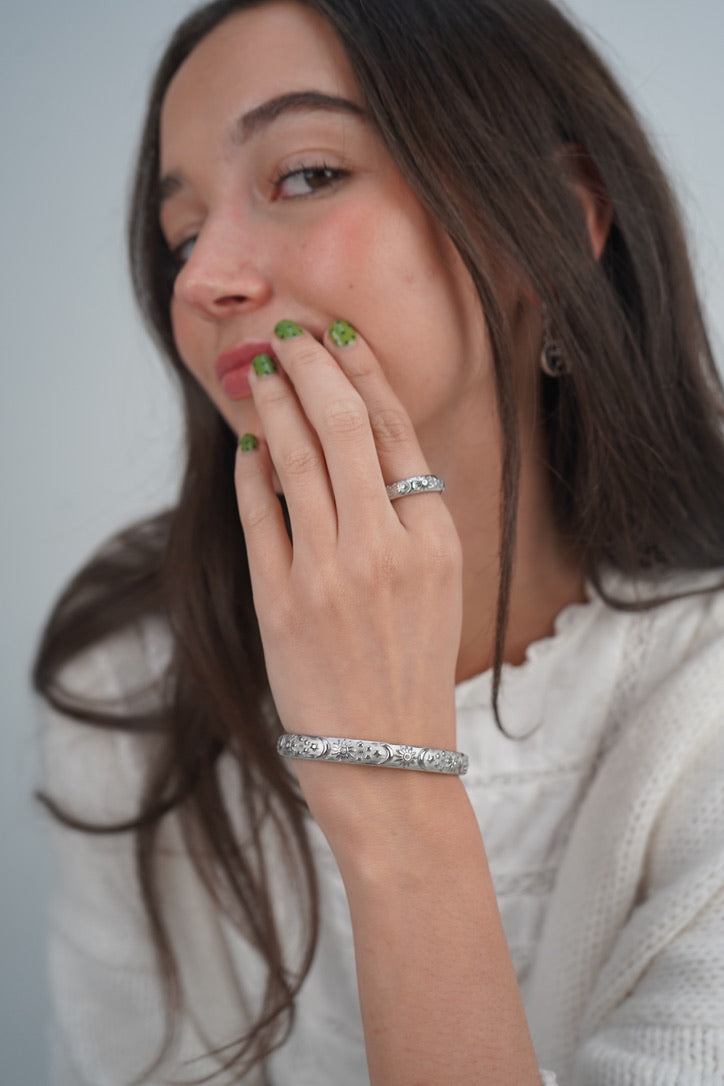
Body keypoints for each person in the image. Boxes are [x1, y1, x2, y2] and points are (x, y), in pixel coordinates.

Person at [34, 0, 724, 1083]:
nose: (204, 279)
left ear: (549, 224)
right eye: (179, 234)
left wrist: (389, 796)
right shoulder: (126, 675)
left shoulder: (703, 712)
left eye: (303, 175)